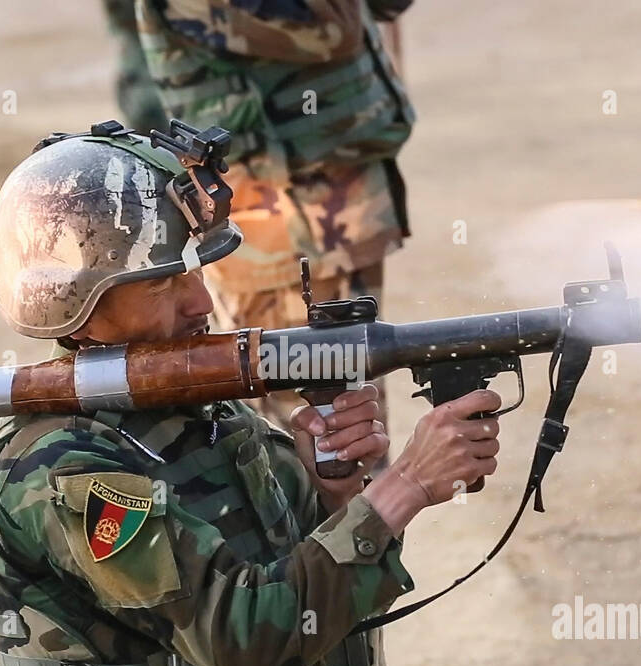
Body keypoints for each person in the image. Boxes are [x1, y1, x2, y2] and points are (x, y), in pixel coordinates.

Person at [0, 120, 500, 666]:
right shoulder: (65, 470)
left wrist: (329, 497)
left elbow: (301, 589)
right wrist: (404, 486)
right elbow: (246, 636)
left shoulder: (205, 411)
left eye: (194, 272)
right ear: (80, 306)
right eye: (164, 283)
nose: (200, 303)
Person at [101, 0, 415, 425]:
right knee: (316, 421)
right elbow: (329, 32)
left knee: (348, 409)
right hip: (280, 218)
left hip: (324, 201)